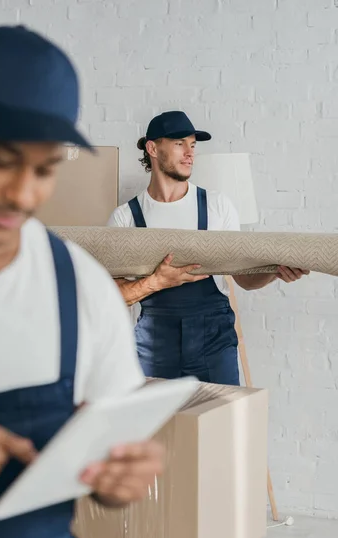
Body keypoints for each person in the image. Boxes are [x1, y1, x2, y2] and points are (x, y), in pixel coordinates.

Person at [0, 26, 164, 538]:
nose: (21, 194)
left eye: (43, 170)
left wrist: (119, 479)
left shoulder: (79, 287)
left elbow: (111, 452)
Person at [108, 111, 308, 385]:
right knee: (156, 427)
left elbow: (244, 279)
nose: (190, 153)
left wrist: (275, 272)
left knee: (222, 423)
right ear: (152, 148)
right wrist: (156, 282)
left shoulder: (217, 206)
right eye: (179, 143)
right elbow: (110, 297)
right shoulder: (125, 217)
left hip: (213, 342)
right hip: (154, 345)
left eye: (193, 145)